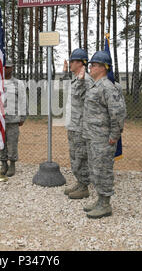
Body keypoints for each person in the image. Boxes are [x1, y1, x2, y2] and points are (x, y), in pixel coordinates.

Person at [78, 50, 126, 219]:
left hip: (104, 139)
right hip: (92, 137)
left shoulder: (108, 87)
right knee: (95, 170)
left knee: (103, 170)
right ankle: (100, 200)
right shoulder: (94, 85)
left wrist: (114, 135)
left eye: (95, 65)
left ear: (104, 68)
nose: (91, 67)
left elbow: (118, 113)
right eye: (91, 64)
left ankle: (105, 204)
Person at [62, 48, 94, 200]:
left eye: (72, 61)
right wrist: (65, 74)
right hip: (73, 125)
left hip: (80, 126)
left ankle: (84, 186)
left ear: (79, 63)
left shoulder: (85, 80)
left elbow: (90, 102)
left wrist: (81, 82)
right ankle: (79, 181)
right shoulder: (76, 79)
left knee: (81, 156)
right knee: (74, 156)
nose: (70, 63)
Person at [0, 59, 27, 177]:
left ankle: (12, 164)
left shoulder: (18, 83)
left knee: (12, 142)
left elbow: (23, 100)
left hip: (13, 119)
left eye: (8, 67)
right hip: (0, 119)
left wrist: (22, 117)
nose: (6, 69)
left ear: (12, 68)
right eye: (4, 67)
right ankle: (3, 163)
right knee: (1, 142)